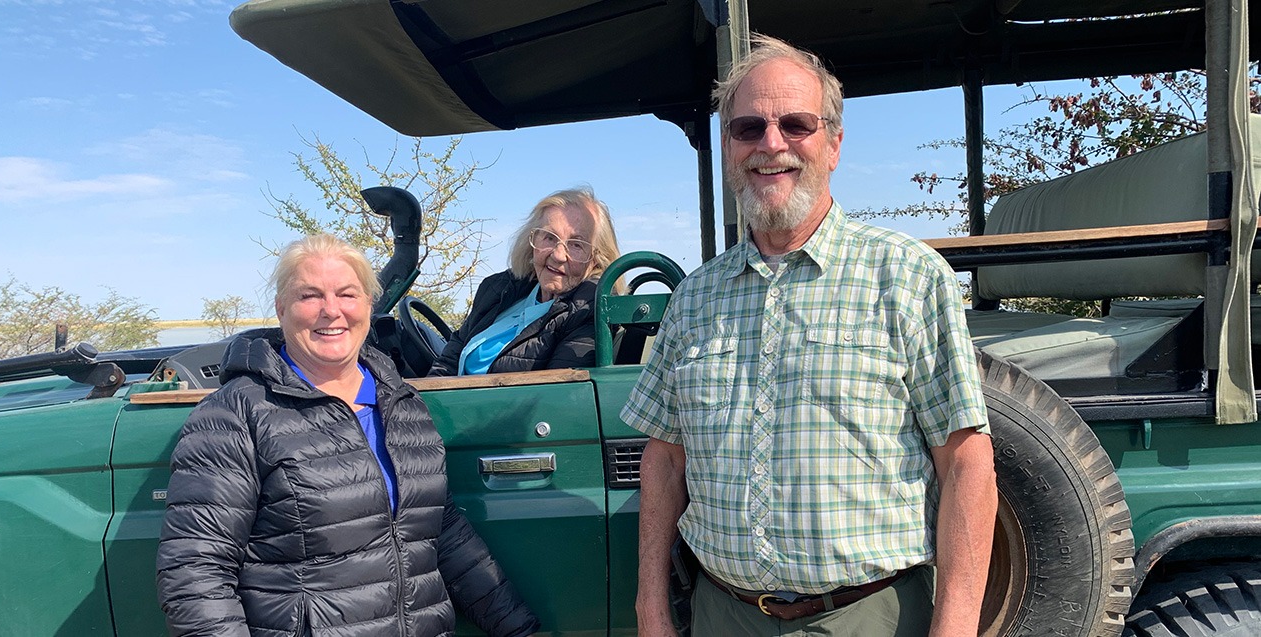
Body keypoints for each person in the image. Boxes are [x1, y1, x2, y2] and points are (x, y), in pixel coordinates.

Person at [622, 35, 996, 637]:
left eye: (795, 123)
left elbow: (967, 461)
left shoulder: (906, 275)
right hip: (724, 615)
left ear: (834, 144)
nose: (771, 144)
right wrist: (650, 607)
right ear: (728, 148)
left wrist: (954, 627)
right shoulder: (694, 298)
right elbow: (665, 459)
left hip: (868, 617)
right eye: (748, 128)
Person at [155, 234, 540, 637]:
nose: (331, 311)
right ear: (281, 308)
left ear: (369, 306)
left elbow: (440, 532)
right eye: (309, 296)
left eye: (347, 294)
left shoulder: (401, 402)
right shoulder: (236, 413)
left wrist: (518, 630)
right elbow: (195, 571)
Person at [427, 187, 622, 376]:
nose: (558, 255)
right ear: (533, 240)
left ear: (597, 258)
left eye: (576, 245)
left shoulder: (590, 309)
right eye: (549, 238)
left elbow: (558, 396)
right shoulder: (499, 289)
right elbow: (448, 363)